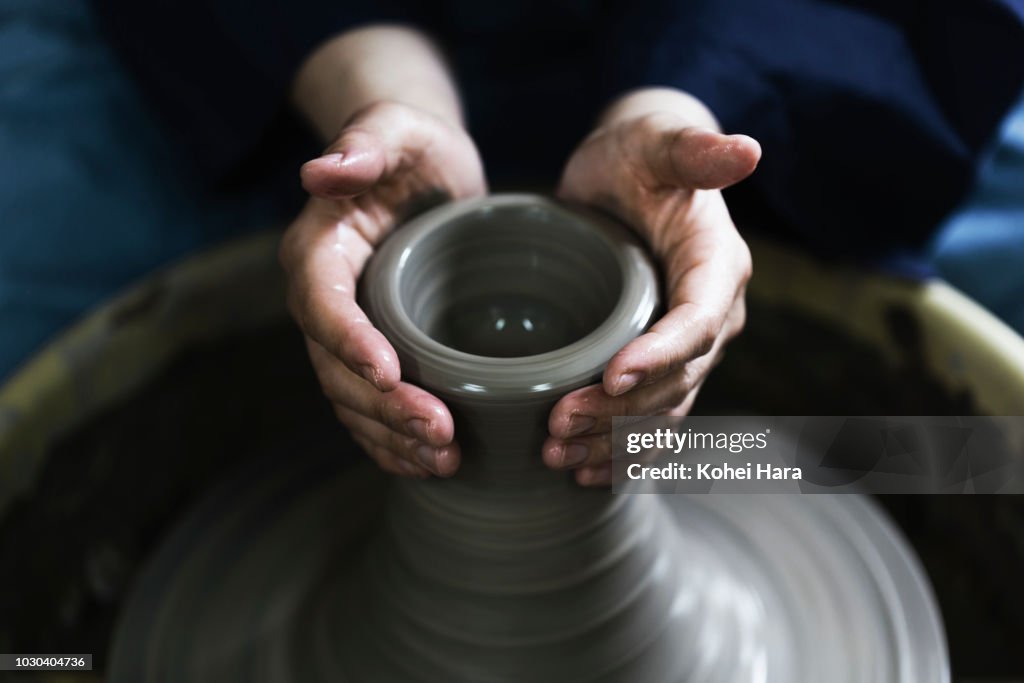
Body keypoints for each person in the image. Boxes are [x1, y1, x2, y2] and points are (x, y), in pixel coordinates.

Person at [5, 0, 1023, 484]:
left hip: (751, 48)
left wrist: (686, 101)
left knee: (973, 457)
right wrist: (376, 98)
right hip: (311, 49)